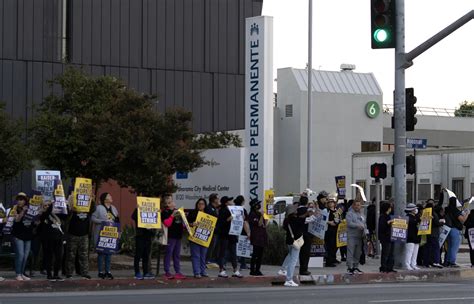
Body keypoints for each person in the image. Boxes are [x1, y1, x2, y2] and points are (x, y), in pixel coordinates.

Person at [65, 193, 94, 279]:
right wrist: (72, 208)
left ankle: (84, 272)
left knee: (84, 255)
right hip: (72, 234)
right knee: (70, 255)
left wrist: (91, 200)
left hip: (84, 235)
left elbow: (93, 208)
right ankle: (69, 272)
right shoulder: (71, 210)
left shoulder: (86, 209)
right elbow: (66, 215)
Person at [91, 192, 119, 279]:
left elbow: (117, 219)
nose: (111, 197)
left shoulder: (113, 208)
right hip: (101, 234)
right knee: (101, 253)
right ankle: (100, 271)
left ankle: (108, 271)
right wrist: (103, 221)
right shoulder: (99, 208)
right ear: (105, 199)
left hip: (110, 234)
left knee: (109, 253)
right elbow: (93, 218)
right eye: (109, 196)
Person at [40, 200, 67, 281]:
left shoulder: (57, 215)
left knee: (59, 257)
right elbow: (46, 213)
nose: (47, 207)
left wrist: (65, 205)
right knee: (49, 257)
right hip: (48, 239)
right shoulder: (43, 215)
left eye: (49, 205)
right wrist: (52, 205)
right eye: (45, 205)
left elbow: (66, 216)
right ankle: (49, 274)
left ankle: (56, 274)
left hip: (58, 238)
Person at [216, 196, 243, 278]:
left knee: (233, 253)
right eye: (229, 201)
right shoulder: (222, 211)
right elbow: (220, 224)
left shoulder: (234, 209)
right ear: (226, 203)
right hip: (224, 235)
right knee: (223, 253)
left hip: (232, 234)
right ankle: (221, 270)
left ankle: (235, 270)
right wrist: (228, 219)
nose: (231, 201)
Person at [279, 204, 305, 287]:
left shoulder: (287, 220)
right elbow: (306, 220)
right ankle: (289, 279)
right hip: (296, 242)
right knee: (293, 261)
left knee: (290, 255)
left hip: (290, 241)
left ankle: (283, 270)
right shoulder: (296, 220)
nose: (296, 210)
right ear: (292, 211)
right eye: (295, 209)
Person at [161, 195, 186, 279]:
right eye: (171, 201)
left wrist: (184, 220)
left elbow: (181, 225)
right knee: (169, 254)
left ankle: (177, 271)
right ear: (167, 204)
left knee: (177, 255)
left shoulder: (177, 212)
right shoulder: (165, 212)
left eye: (172, 201)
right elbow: (167, 223)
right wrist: (172, 215)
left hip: (178, 236)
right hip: (170, 236)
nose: (173, 202)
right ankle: (167, 271)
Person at [11, 192, 34, 281]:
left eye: (22, 200)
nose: (20, 201)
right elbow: (16, 220)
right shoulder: (14, 209)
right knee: (20, 254)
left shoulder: (30, 209)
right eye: (18, 200)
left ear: (25, 201)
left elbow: (35, 220)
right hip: (18, 235)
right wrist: (23, 211)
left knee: (25, 255)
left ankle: (22, 272)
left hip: (27, 235)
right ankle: (18, 274)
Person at [443, 193, 468, 267]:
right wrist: (466, 214)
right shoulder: (455, 210)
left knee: (449, 246)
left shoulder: (446, 209)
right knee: (454, 247)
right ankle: (452, 262)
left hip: (447, 229)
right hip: (455, 229)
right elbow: (462, 220)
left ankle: (447, 261)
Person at [132, 206, 156, 280]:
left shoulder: (152, 209)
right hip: (140, 235)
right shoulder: (138, 209)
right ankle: (137, 272)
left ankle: (145, 272)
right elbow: (133, 217)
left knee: (146, 254)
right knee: (138, 254)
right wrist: (139, 209)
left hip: (148, 235)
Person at [187, 198, 209, 278]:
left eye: (202, 204)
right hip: (195, 237)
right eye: (199, 204)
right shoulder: (192, 213)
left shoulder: (208, 214)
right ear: (197, 204)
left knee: (203, 255)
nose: (200, 205)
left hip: (204, 237)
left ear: (205, 205)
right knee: (196, 255)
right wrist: (192, 224)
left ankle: (203, 271)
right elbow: (187, 223)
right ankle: (197, 272)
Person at [346, 200, 366, 275]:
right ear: (353, 206)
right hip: (351, 236)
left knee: (358, 253)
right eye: (356, 205)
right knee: (351, 252)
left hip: (360, 236)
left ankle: (355, 266)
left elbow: (364, 224)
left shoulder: (362, 215)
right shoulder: (349, 214)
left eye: (359, 205)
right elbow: (349, 223)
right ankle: (349, 267)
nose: (357, 206)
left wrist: (365, 231)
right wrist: (357, 225)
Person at [248, 198, 267, 276]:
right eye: (257, 204)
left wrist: (264, 216)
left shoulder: (259, 213)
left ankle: (258, 269)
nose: (259, 205)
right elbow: (258, 224)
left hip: (262, 236)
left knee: (260, 255)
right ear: (254, 206)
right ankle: (253, 270)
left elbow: (265, 224)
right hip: (256, 237)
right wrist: (262, 216)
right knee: (255, 254)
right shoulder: (252, 214)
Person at [423, 201, 444, 268]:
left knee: (428, 247)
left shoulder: (425, 213)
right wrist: (442, 222)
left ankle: (427, 262)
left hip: (427, 232)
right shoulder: (433, 213)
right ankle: (436, 261)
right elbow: (436, 223)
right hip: (434, 233)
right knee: (436, 248)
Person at [234, 195, 251, 270]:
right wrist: (248, 232)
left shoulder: (233, 209)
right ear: (242, 201)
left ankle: (225, 263)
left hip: (234, 230)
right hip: (242, 231)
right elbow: (245, 222)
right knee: (242, 248)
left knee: (233, 248)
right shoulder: (243, 210)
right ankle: (242, 264)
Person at [297, 196, 312, 276]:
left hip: (298, 233)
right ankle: (304, 269)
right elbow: (310, 220)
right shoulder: (307, 211)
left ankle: (301, 269)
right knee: (305, 253)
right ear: (307, 202)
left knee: (298, 253)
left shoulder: (297, 210)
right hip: (306, 233)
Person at [378, 201, 395, 273]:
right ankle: (383, 267)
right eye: (390, 207)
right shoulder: (383, 216)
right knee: (386, 253)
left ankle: (390, 267)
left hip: (391, 236)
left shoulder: (389, 216)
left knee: (391, 253)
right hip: (385, 237)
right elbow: (382, 227)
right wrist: (388, 223)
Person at [404, 203, 421, 270]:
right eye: (415, 209)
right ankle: (407, 264)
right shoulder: (408, 217)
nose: (416, 210)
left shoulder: (416, 217)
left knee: (415, 252)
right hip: (410, 237)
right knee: (409, 252)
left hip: (416, 237)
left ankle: (413, 264)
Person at [324, 195, 339, 267]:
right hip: (328, 230)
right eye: (329, 202)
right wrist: (330, 222)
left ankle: (333, 259)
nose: (330, 204)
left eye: (332, 202)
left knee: (335, 246)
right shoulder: (326, 211)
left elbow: (338, 219)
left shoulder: (336, 211)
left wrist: (338, 222)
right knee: (329, 246)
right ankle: (328, 261)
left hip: (335, 230)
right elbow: (323, 219)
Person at [205, 193, 219, 265]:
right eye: (217, 198)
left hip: (215, 231)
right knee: (210, 246)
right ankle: (206, 260)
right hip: (211, 230)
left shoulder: (215, 208)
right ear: (214, 200)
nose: (218, 200)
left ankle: (209, 259)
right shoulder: (209, 208)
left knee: (213, 246)